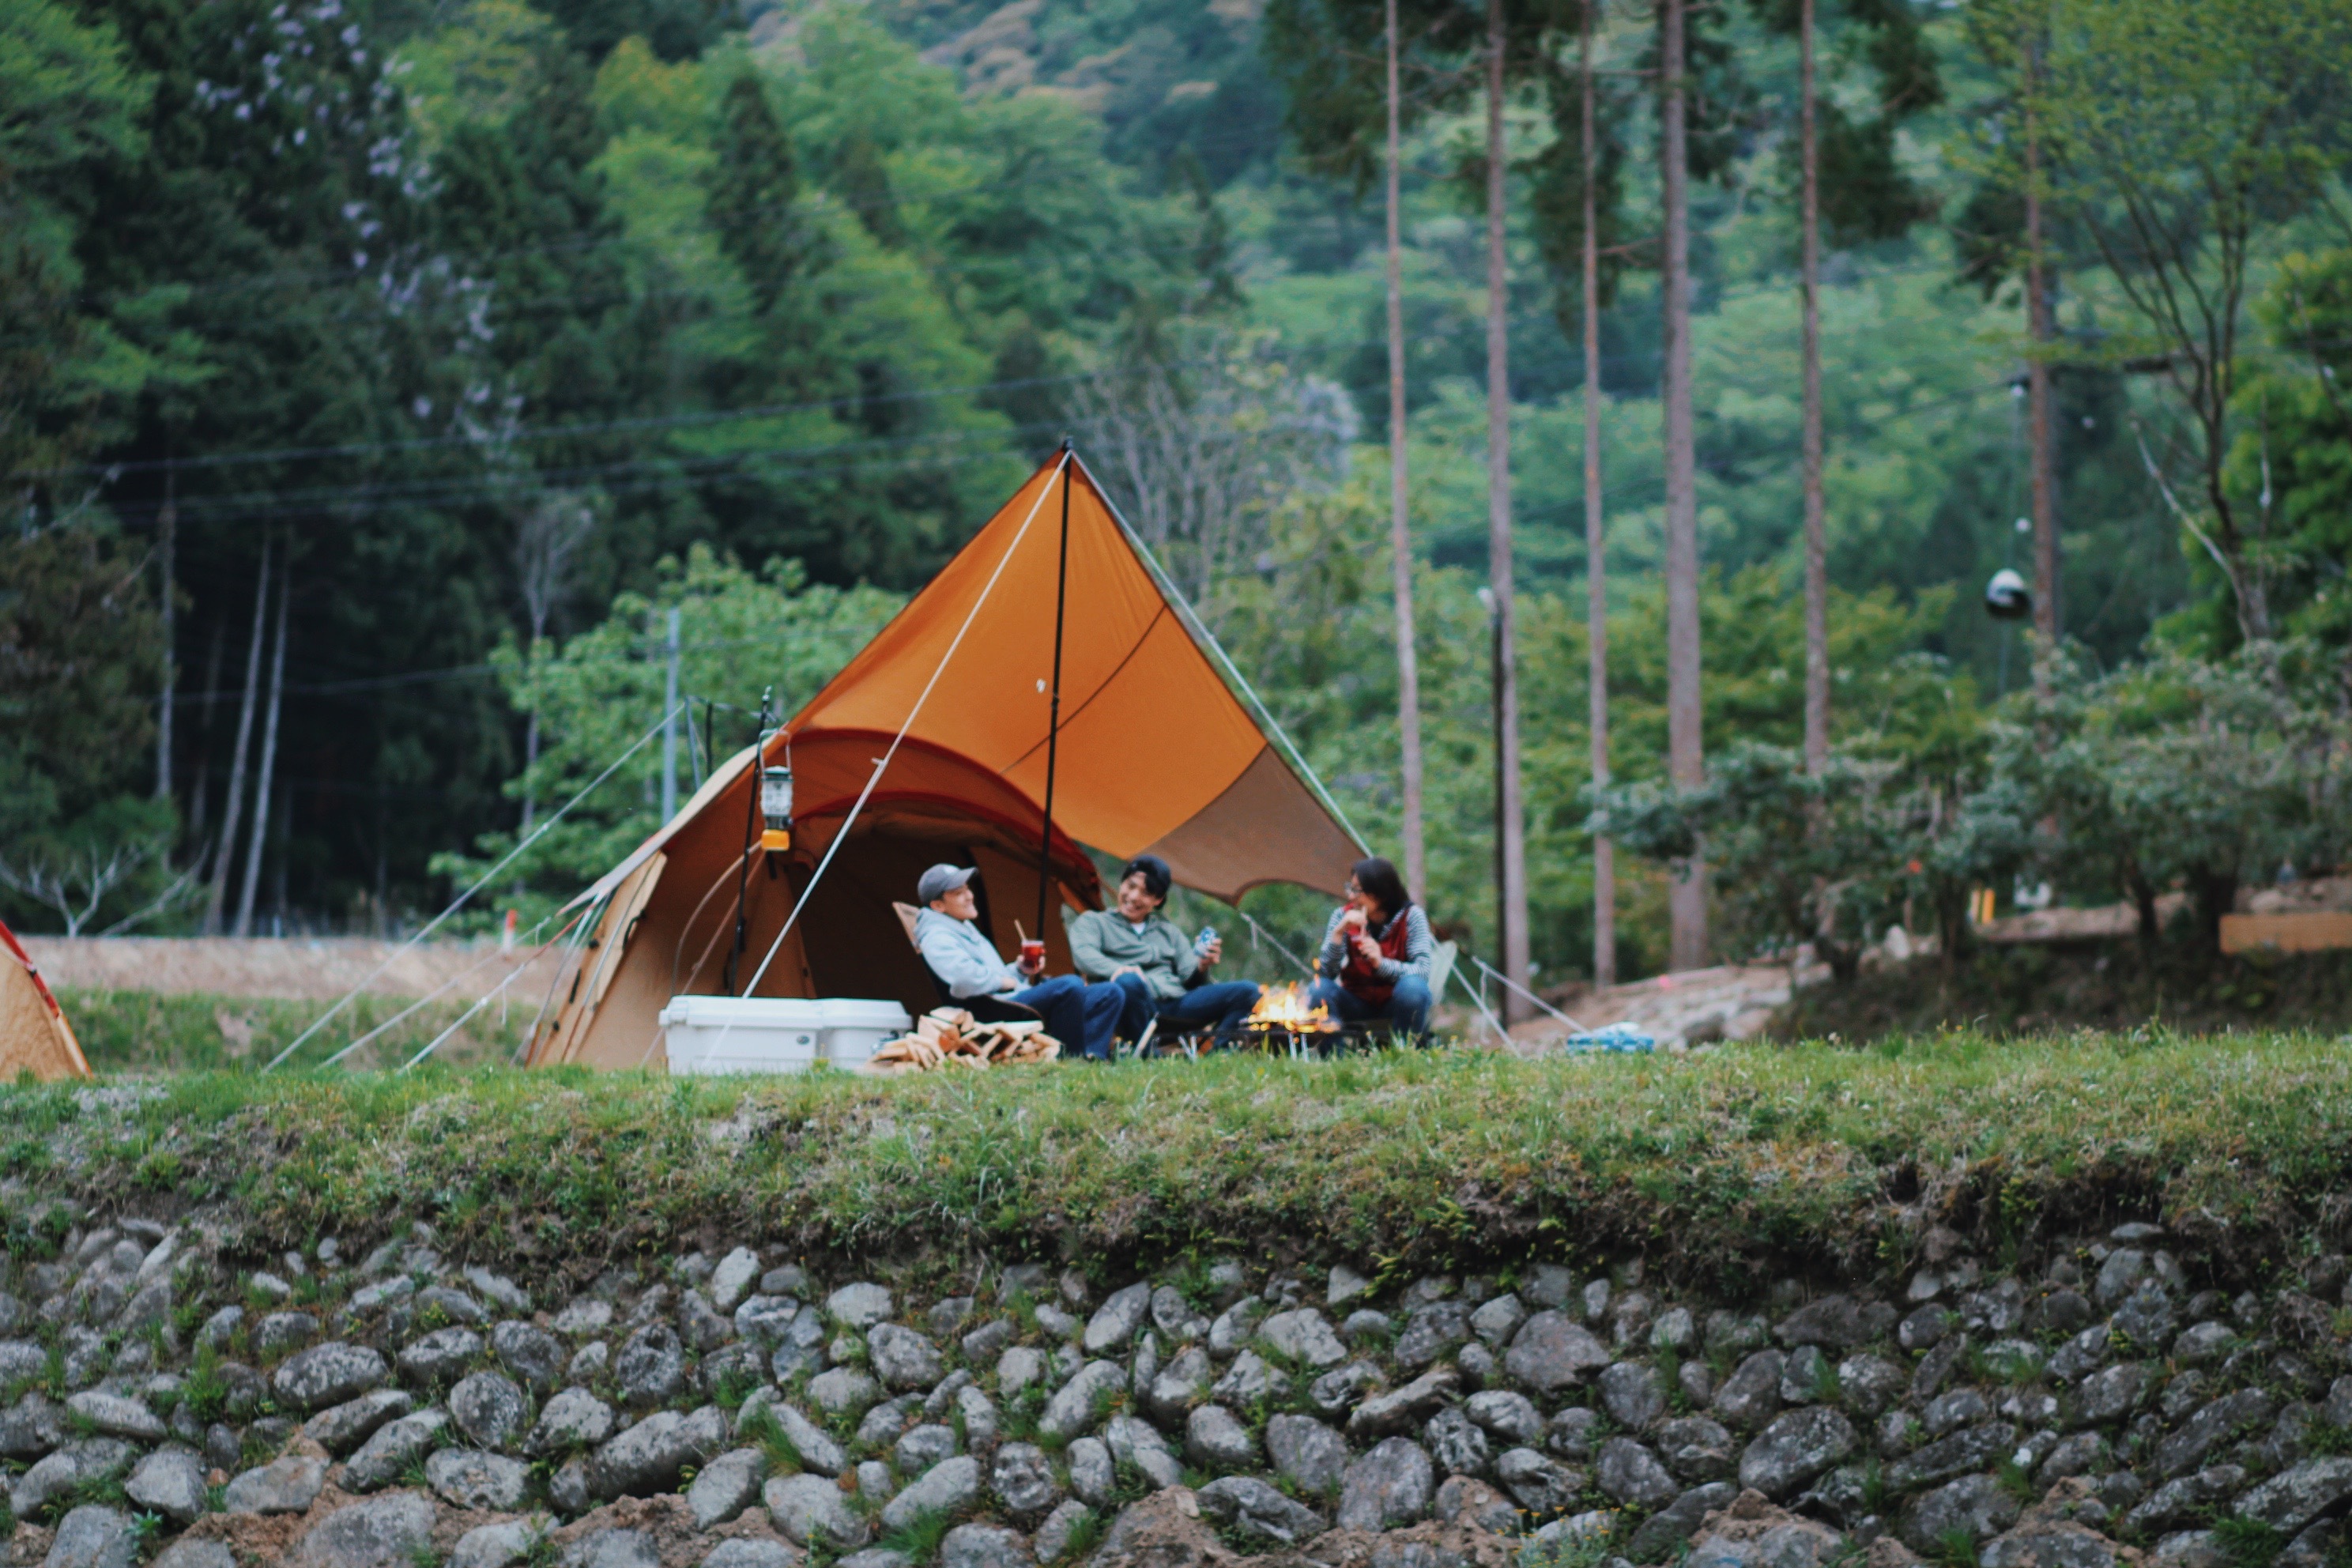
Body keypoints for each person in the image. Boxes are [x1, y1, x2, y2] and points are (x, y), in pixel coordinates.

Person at [912, 864, 1123, 1063]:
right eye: (959, 893)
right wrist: (1005, 982)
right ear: (938, 906)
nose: (970, 896)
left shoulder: (961, 925)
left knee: (1110, 993)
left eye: (967, 889)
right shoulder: (937, 935)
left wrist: (1019, 971)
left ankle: (1093, 1056)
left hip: (1005, 997)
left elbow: (991, 975)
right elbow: (963, 978)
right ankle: (1071, 1059)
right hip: (991, 1009)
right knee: (1069, 986)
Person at [1068, 854, 1263, 1047]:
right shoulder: (1095, 922)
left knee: (1247, 991)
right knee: (1128, 982)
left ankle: (1220, 1055)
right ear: (1122, 884)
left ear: (1158, 900)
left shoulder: (1168, 931)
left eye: (1145, 893)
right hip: (1131, 1004)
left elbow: (1190, 979)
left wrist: (1202, 966)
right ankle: (1148, 1054)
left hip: (1175, 1004)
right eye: (1131, 886)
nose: (1134, 896)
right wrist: (1119, 969)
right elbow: (1084, 956)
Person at [1310, 856, 1434, 1041]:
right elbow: (1325, 974)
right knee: (1318, 990)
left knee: (1414, 988)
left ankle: (1406, 1052)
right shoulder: (1342, 916)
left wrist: (1381, 963)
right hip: (1355, 1001)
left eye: (1357, 891)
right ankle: (1332, 1058)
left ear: (1381, 894)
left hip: (1395, 1001)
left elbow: (1422, 971)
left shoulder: (1411, 916)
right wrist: (1337, 934)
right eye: (1350, 888)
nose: (1351, 896)